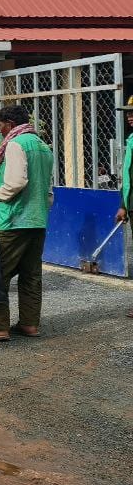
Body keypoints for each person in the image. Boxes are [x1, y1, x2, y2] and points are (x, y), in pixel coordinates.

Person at [0, 103, 54, 341]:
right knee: (31, 275)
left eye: (0, 126)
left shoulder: (16, 144)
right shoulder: (42, 145)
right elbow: (47, 188)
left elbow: (16, 183)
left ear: (9, 124)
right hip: (37, 219)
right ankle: (30, 324)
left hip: (15, 220)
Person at [116, 96, 133, 319]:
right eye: (128, 112)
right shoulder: (131, 140)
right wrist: (124, 205)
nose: (129, 116)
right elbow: (128, 177)